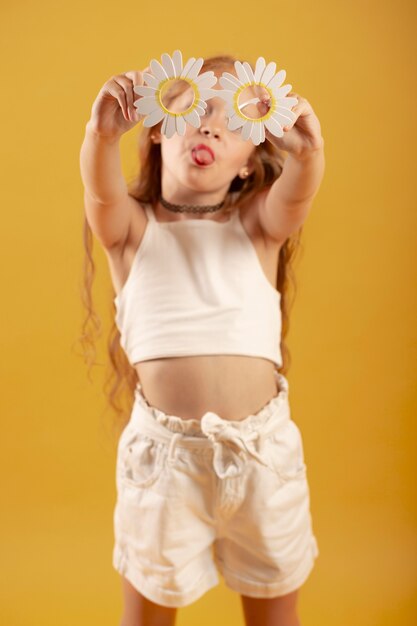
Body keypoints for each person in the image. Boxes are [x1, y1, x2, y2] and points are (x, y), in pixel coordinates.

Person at [79, 53, 325, 626]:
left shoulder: (258, 229)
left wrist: (310, 153)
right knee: (146, 617)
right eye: (194, 105)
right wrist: (101, 134)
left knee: (276, 615)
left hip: (264, 459)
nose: (212, 124)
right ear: (160, 126)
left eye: (235, 119)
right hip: (164, 466)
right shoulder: (132, 232)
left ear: (247, 166)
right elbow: (101, 194)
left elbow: (297, 195)